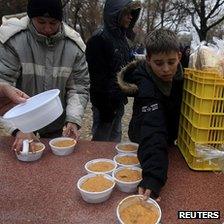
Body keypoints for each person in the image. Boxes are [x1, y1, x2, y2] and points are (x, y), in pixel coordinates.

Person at [0, 0, 89, 151]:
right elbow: (4, 86)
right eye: (41, 22)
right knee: (25, 155)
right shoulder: (13, 40)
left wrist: (73, 119)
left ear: (60, 21)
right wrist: (19, 128)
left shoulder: (73, 45)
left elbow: (79, 88)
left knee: (55, 161)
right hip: (23, 118)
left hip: (55, 118)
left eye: (53, 23)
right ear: (31, 18)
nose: (47, 28)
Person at [117, 29, 184, 200]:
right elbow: (152, 129)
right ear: (148, 60)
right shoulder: (145, 85)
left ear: (179, 56)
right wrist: (153, 177)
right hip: (145, 136)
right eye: (159, 63)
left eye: (171, 62)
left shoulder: (187, 76)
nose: (166, 69)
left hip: (169, 138)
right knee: (154, 139)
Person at [86, 0, 141, 142]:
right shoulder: (99, 40)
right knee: (101, 144)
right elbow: (97, 80)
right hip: (105, 105)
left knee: (115, 141)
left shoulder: (122, 39)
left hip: (118, 101)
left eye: (132, 14)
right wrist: (105, 109)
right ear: (116, 13)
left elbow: (125, 68)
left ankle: (113, 164)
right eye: (127, 13)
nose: (130, 17)